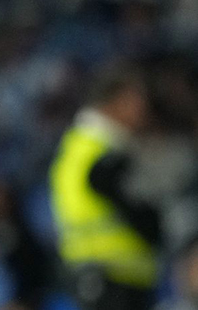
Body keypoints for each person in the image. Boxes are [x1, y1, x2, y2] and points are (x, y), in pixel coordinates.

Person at [49, 62, 161, 310]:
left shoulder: (78, 144)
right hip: (111, 274)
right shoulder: (101, 149)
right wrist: (152, 228)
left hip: (102, 273)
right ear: (116, 100)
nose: (144, 108)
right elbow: (128, 204)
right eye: (136, 99)